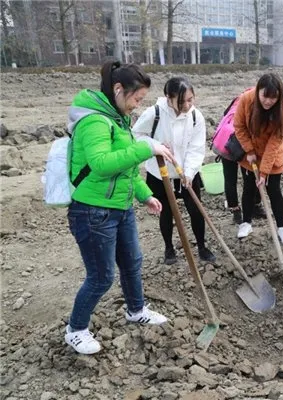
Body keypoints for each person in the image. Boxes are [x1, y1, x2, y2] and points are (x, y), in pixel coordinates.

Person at [65, 61, 175, 355]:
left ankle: (136, 310)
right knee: (101, 276)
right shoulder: (94, 122)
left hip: (120, 207)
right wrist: (146, 146)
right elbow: (101, 165)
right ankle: (75, 329)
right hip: (92, 211)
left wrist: (144, 194)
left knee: (132, 263)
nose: (138, 106)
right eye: (137, 99)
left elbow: (125, 169)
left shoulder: (117, 119)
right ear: (118, 90)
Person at [132, 77, 216, 265]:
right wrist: (155, 146)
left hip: (186, 173)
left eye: (190, 99)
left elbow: (196, 147)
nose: (187, 105)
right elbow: (136, 135)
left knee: (196, 210)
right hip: (159, 173)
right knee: (166, 212)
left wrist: (189, 171)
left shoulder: (196, 117)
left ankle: (202, 246)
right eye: (182, 101)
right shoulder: (154, 114)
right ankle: (169, 248)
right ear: (168, 98)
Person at [234, 73, 283, 244]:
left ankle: (282, 227)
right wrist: (249, 150)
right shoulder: (246, 99)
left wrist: (264, 171)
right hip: (250, 154)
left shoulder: (282, 106)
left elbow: (275, 142)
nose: (268, 101)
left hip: (273, 156)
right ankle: (246, 222)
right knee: (249, 189)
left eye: (273, 98)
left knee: (274, 190)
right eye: (265, 96)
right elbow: (239, 126)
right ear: (258, 91)